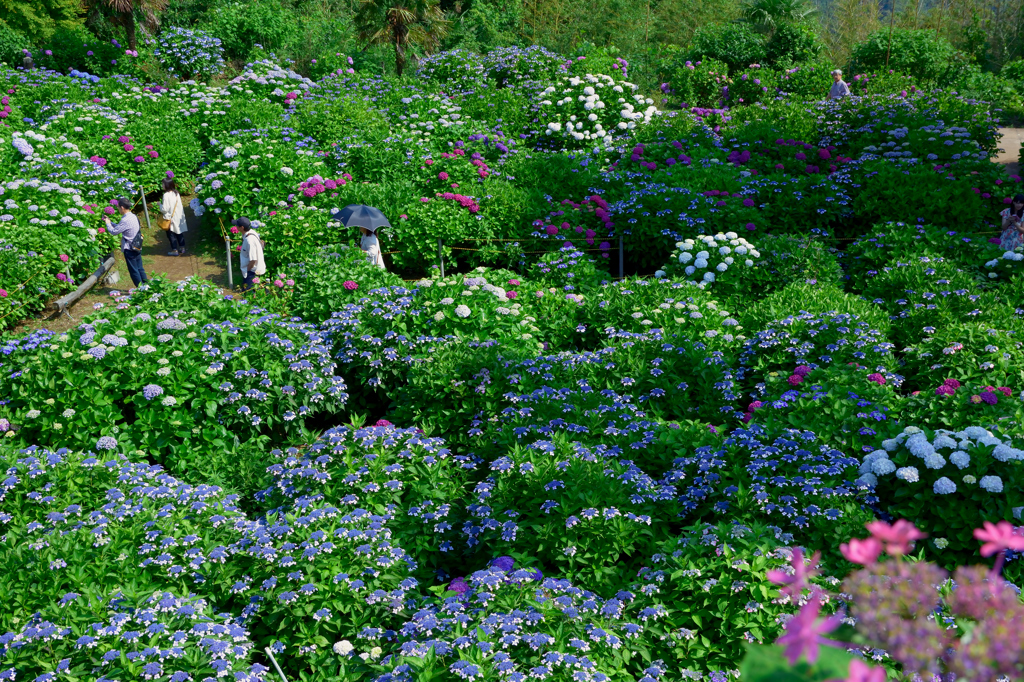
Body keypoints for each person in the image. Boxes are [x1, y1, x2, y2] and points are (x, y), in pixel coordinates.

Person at [104, 197, 148, 287]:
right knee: (140, 268)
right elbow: (121, 227)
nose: (118, 209)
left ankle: (141, 289)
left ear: (122, 207)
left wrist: (108, 224)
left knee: (134, 270)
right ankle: (147, 286)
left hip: (130, 248)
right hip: (137, 246)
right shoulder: (133, 216)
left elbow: (114, 232)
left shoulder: (125, 220)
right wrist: (111, 222)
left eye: (118, 207)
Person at [234, 217, 266, 291]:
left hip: (252, 271)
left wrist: (247, 271)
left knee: (248, 293)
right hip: (253, 270)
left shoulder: (249, 240)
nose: (236, 226)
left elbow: (253, 259)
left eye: (237, 225)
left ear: (242, 227)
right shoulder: (251, 232)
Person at [160, 176, 187, 256]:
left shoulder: (166, 195)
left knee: (171, 234)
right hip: (178, 216)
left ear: (167, 185)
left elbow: (165, 209)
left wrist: (159, 205)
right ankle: (182, 248)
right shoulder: (176, 193)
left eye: (163, 184)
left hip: (170, 218)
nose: (162, 186)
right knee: (179, 232)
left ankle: (174, 250)